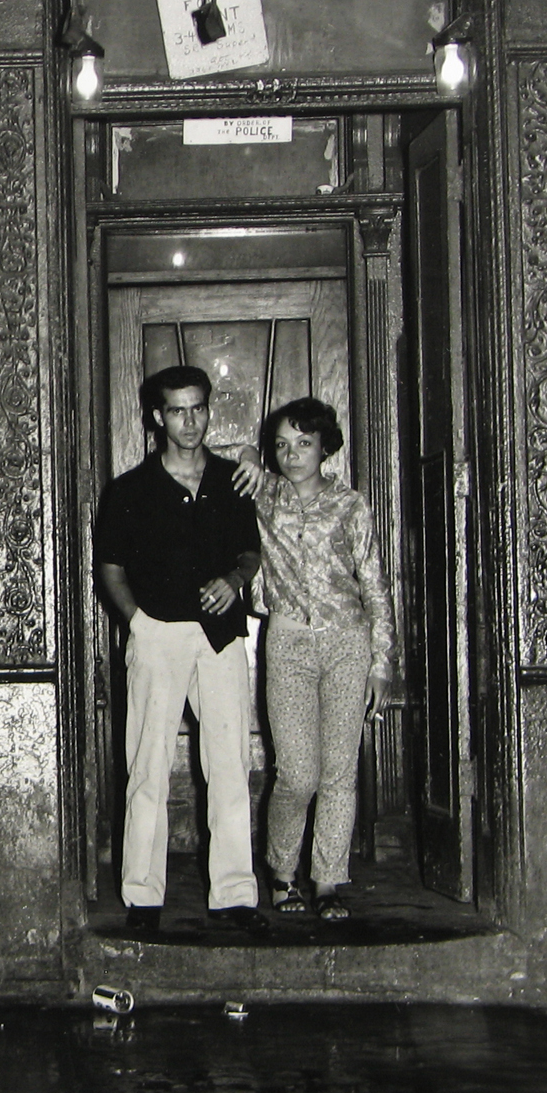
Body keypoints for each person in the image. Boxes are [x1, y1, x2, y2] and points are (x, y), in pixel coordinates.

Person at [94, 366, 266, 935]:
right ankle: (143, 896)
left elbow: (249, 552)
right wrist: (139, 623)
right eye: (177, 411)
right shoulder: (130, 490)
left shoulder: (232, 481)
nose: (190, 422)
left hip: (220, 638)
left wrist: (235, 581)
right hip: (157, 635)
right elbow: (111, 568)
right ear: (157, 417)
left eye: (198, 408)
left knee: (230, 765)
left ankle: (235, 894)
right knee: (147, 767)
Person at [234, 398, 395, 922]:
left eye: (304, 443)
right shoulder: (263, 495)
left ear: (325, 447)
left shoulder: (351, 505)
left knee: (339, 773)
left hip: (348, 643)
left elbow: (375, 585)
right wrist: (248, 453)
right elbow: (211, 455)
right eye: (282, 444)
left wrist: (381, 663)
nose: (292, 454)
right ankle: (282, 873)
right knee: (297, 774)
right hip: (288, 644)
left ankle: (328, 882)